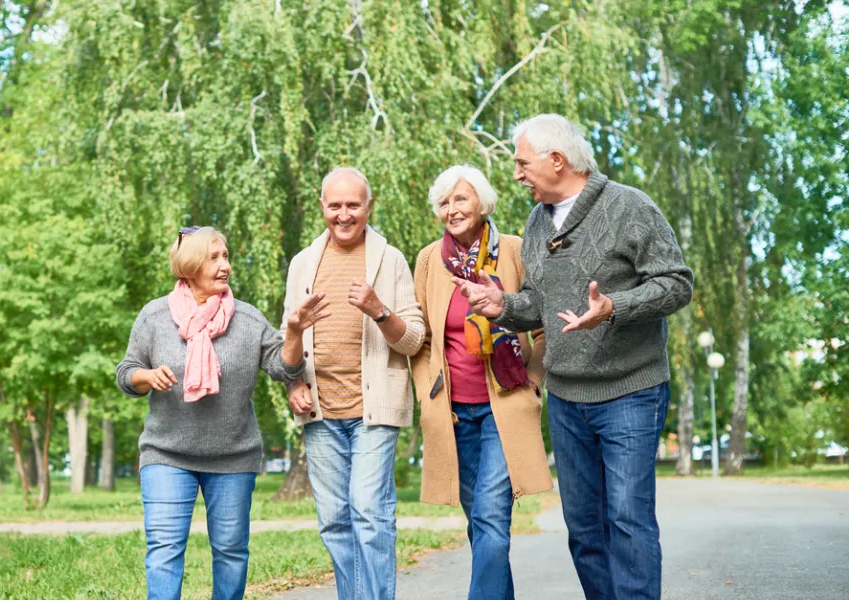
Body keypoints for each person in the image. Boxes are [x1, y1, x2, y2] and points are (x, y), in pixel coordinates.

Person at [453, 114, 694, 600]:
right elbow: (540, 304)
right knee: (584, 531)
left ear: (556, 160)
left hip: (630, 391)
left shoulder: (630, 207)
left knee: (627, 521)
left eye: (522, 163)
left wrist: (614, 308)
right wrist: (503, 306)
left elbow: (676, 284)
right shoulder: (536, 222)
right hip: (566, 397)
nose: (517, 173)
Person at [116, 226, 329, 600]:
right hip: (166, 454)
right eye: (214, 258)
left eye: (226, 256)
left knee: (230, 552)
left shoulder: (246, 319)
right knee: (164, 551)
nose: (224, 265)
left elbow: (285, 367)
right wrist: (146, 376)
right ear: (190, 265)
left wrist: (294, 332)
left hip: (233, 456)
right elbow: (125, 372)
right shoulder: (155, 316)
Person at [281, 167, 425, 600]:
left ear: (369, 205)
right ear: (321, 205)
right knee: (335, 521)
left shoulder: (389, 259)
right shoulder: (303, 263)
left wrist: (379, 310)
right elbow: (287, 348)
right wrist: (291, 383)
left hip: (373, 409)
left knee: (368, 510)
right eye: (335, 205)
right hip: (320, 412)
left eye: (353, 205)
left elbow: (415, 340)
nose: (344, 215)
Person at [410, 165, 553, 600]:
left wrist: (532, 380)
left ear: (483, 203)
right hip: (454, 412)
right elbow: (423, 338)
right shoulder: (429, 260)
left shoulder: (513, 250)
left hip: (503, 406)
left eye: (461, 199)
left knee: (491, 517)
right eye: (445, 202)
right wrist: (427, 393)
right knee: (480, 522)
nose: (452, 209)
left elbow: (543, 324)